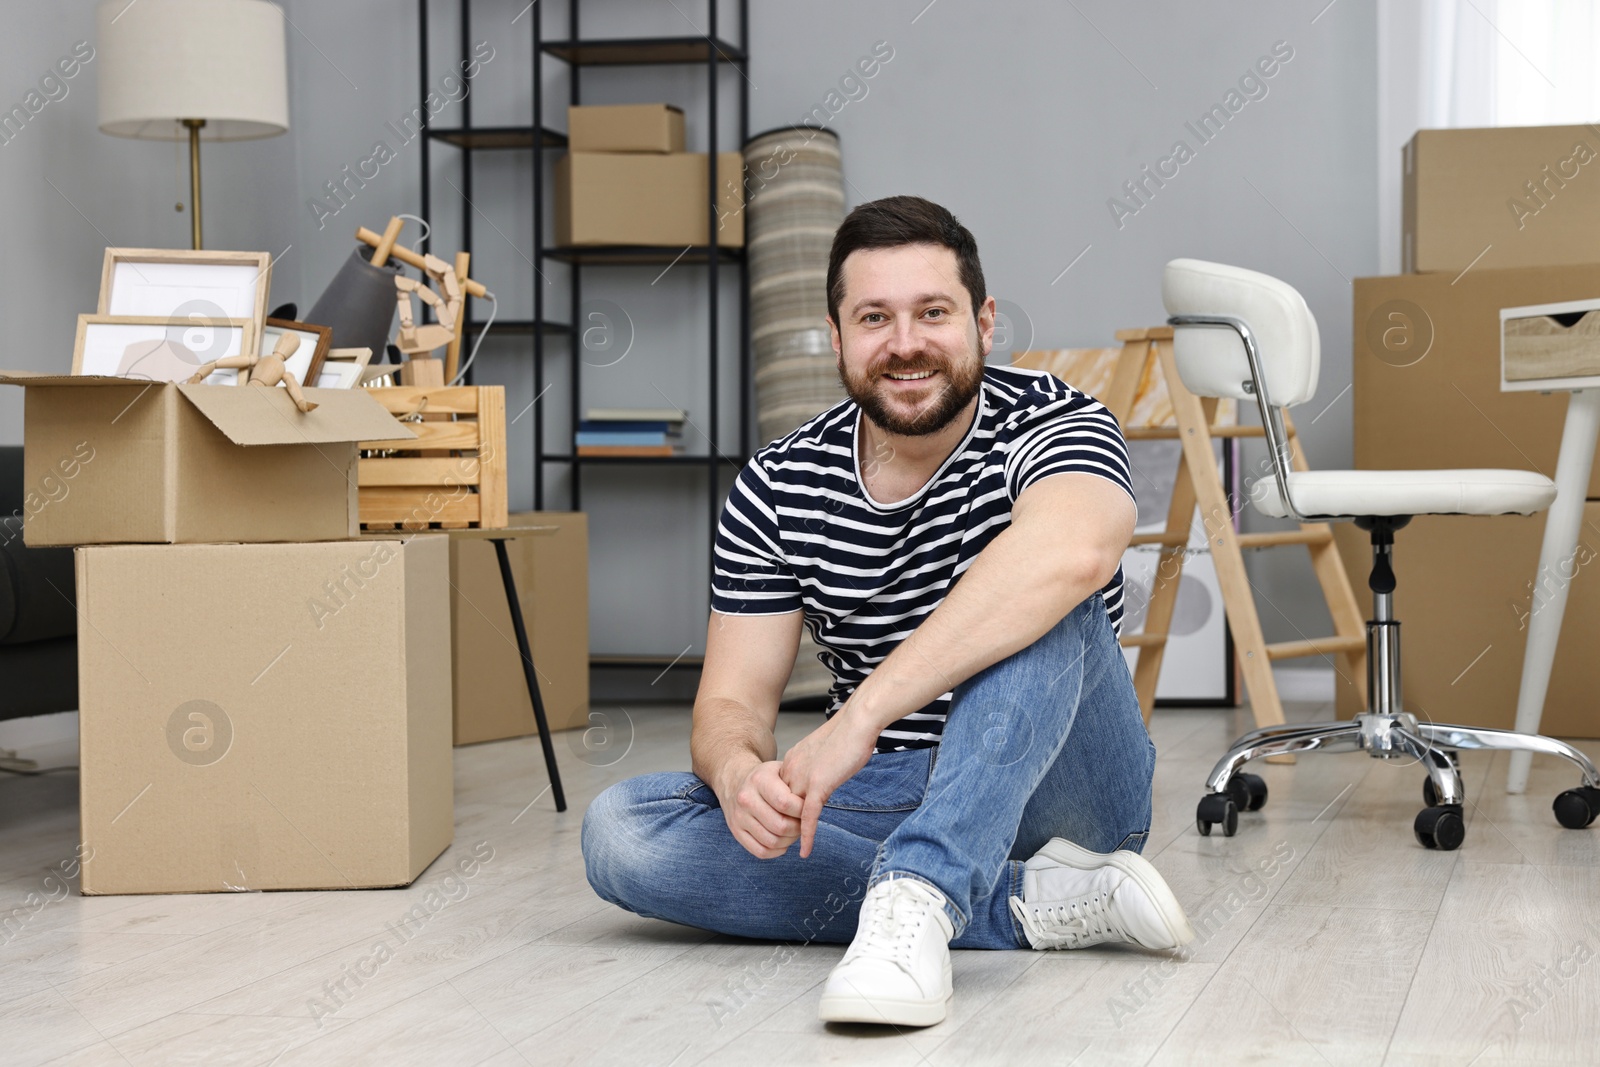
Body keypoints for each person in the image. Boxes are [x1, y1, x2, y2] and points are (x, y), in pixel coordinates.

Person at [582, 194, 1194, 1028]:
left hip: (1061, 784)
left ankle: (921, 891)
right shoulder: (778, 485)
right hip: (892, 785)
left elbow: (1073, 552)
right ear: (837, 338)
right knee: (623, 829)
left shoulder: (1055, 419)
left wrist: (861, 713)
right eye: (875, 317)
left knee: (1043, 591)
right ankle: (1024, 903)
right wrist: (737, 776)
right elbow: (729, 705)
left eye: (932, 312)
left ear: (982, 322)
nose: (905, 343)